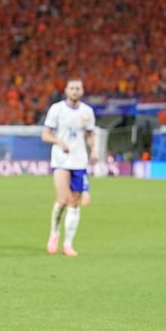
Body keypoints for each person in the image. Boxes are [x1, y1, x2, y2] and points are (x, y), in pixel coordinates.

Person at [41, 79, 98, 257]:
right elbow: (45, 135)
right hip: (61, 160)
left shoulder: (87, 112)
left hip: (79, 161)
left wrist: (94, 149)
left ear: (82, 91)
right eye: (72, 88)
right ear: (66, 90)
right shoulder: (57, 109)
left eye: (78, 88)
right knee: (63, 200)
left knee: (74, 203)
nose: (75, 91)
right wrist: (59, 141)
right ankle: (54, 233)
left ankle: (68, 244)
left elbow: (90, 135)